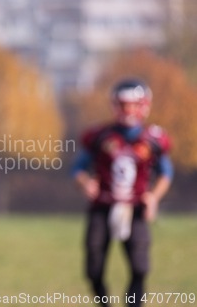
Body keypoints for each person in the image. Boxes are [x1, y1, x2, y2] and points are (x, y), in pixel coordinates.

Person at [72, 78, 173, 307]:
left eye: (133, 105)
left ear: (143, 105)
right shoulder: (100, 136)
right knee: (93, 267)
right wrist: (85, 182)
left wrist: (154, 197)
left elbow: (166, 172)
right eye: (123, 104)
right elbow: (78, 168)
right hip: (102, 205)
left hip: (135, 207)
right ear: (115, 105)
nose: (128, 110)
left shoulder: (153, 138)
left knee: (140, 266)